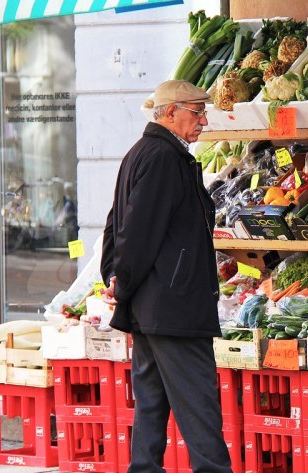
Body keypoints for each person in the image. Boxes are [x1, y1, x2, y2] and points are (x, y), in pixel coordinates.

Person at [100, 80, 231, 473]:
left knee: (152, 403)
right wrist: (119, 279)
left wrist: (116, 278)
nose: (204, 120)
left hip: (153, 304)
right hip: (173, 306)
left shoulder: (144, 153)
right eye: (196, 112)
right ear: (170, 113)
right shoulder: (163, 158)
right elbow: (135, 231)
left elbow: (116, 223)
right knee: (199, 404)